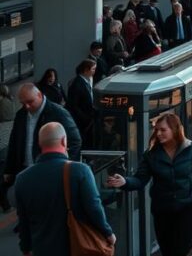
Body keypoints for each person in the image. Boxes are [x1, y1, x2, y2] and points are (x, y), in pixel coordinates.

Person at [107, 112, 192, 256]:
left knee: (179, 250)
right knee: (167, 251)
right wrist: (125, 182)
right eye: (156, 129)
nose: (158, 133)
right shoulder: (151, 154)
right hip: (162, 211)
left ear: (175, 130)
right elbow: (140, 179)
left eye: (163, 130)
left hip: (188, 208)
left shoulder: (191, 149)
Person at [15, 122, 115, 256]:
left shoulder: (22, 178)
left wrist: (25, 249)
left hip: (42, 250)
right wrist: (108, 233)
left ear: (40, 144)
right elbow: (94, 207)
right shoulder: (79, 170)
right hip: (75, 247)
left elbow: (23, 221)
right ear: (64, 141)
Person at [3, 84, 82, 214]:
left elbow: (75, 141)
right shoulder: (21, 114)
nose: (27, 106)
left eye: (30, 102)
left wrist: (63, 166)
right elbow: (14, 142)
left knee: (46, 209)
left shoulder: (57, 113)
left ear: (39, 95)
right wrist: (9, 169)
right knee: (27, 207)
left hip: (49, 170)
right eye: (23, 103)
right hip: (25, 169)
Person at [66, 60, 98, 149]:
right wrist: (85, 118)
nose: (94, 72)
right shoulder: (77, 84)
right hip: (82, 122)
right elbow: (73, 105)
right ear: (86, 70)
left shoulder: (85, 82)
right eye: (93, 69)